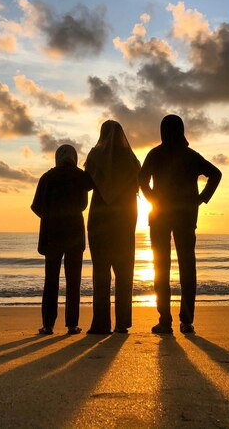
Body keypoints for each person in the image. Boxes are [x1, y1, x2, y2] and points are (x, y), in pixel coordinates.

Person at [140, 115, 222, 335]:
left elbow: (141, 180)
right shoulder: (189, 156)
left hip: (160, 216)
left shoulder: (156, 154)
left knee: (161, 267)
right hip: (184, 216)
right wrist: (201, 198)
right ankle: (186, 321)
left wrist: (153, 198)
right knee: (187, 267)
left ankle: (165, 321)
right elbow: (216, 174)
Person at [85, 120, 141, 334]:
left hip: (100, 219)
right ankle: (122, 323)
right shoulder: (130, 157)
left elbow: (87, 183)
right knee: (125, 273)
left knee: (101, 273)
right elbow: (140, 183)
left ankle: (101, 324)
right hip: (125, 220)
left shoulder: (95, 155)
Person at [31, 144, 92, 335]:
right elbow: (83, 204)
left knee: (51, 280)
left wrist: (50, 215)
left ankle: (48, 324)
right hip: (74, 232)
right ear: (74, 157)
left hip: (53, 233)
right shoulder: (80, 177)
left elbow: (36, 206)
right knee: (73, 280)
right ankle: (72, 324)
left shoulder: (47, 177)